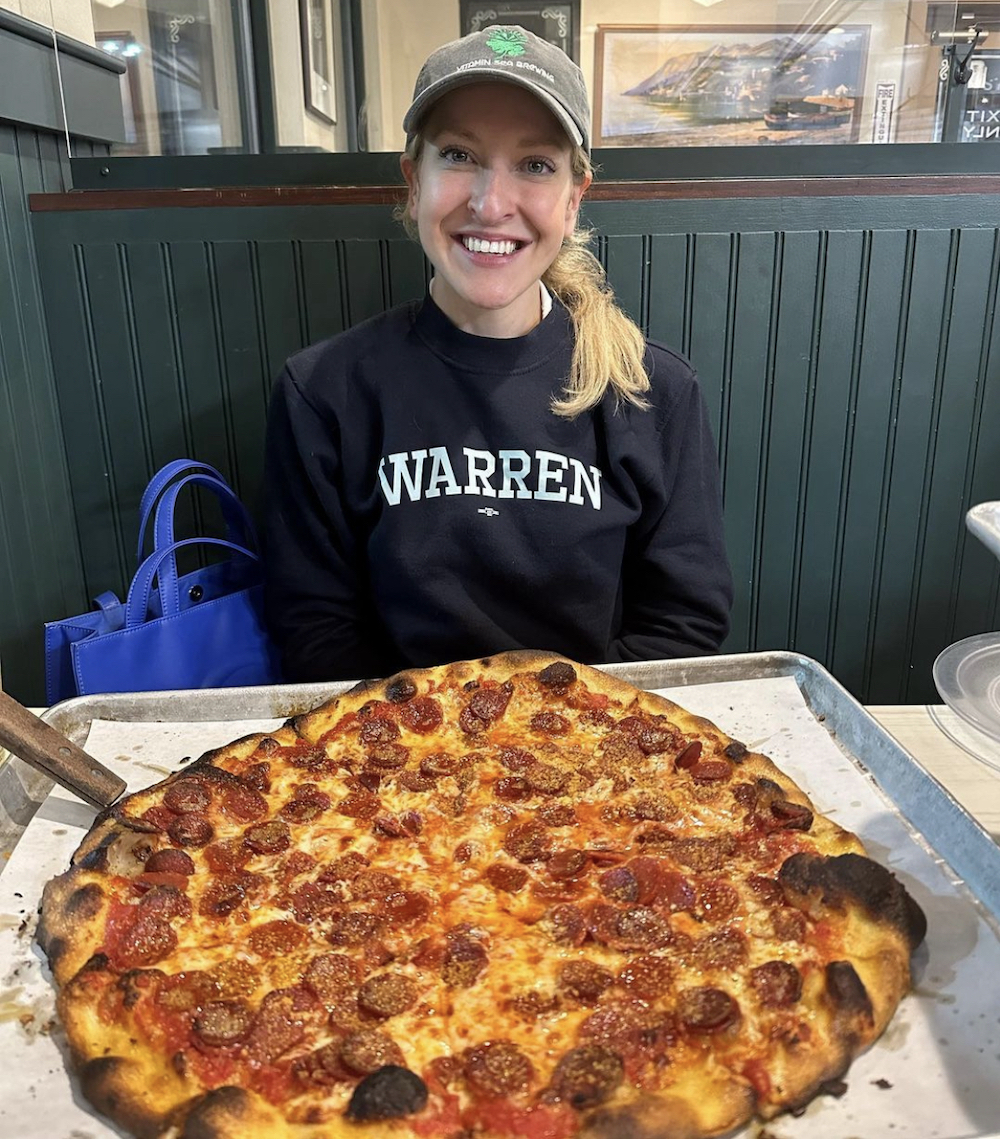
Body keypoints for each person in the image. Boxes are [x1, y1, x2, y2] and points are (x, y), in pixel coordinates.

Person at [263, 24, 733, 683]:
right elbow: (315, 631)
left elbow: (684, 625)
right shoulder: (321, 391)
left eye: (535, 165)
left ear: (574, 200)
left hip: (596, 757)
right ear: (412, 181)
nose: (490, 203)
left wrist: (549, 740)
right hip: (393, 761)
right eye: (458, 155)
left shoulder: (653, 390)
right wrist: (438, 752)